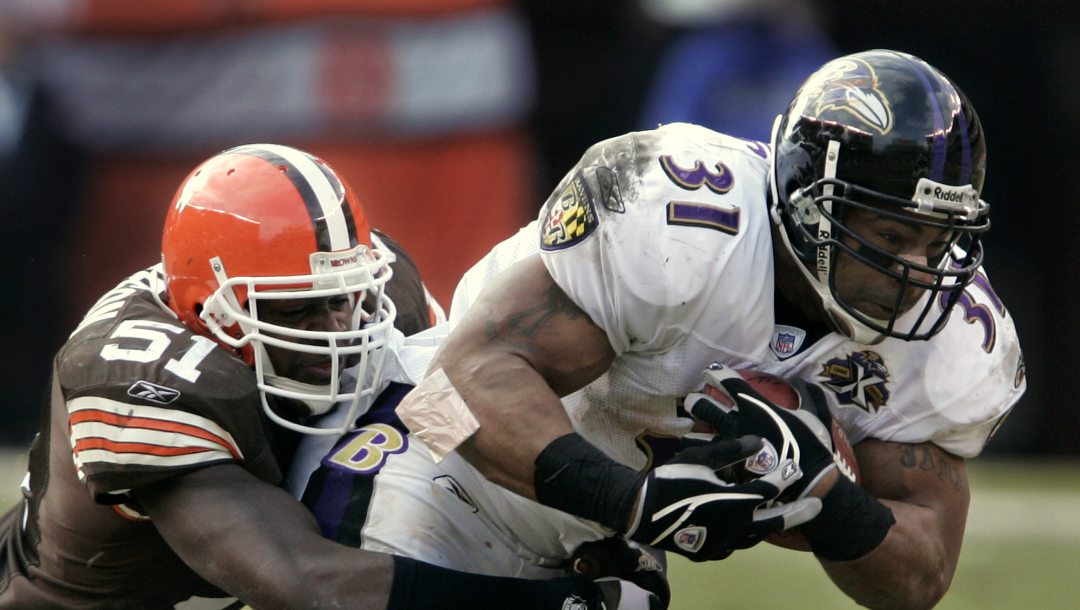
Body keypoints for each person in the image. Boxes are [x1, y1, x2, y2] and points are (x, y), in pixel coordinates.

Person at [296, 49, 1025, 609]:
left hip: (606, 552)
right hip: (442, 476)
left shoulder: (950, 332)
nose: (914, 271)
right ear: (809, 206)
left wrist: (831, 500)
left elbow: (922, 575)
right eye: (892, 234)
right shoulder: (680, 216)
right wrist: (635, 502)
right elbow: (457, 387)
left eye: (936, 242)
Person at [0, 143, 657, 610]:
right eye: (298, 308)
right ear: (208, 309)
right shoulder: (136, 375)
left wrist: (607, 508)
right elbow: (299, 584)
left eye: (343, 296)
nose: (336, 325)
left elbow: (433, 416)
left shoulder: (371, 287)